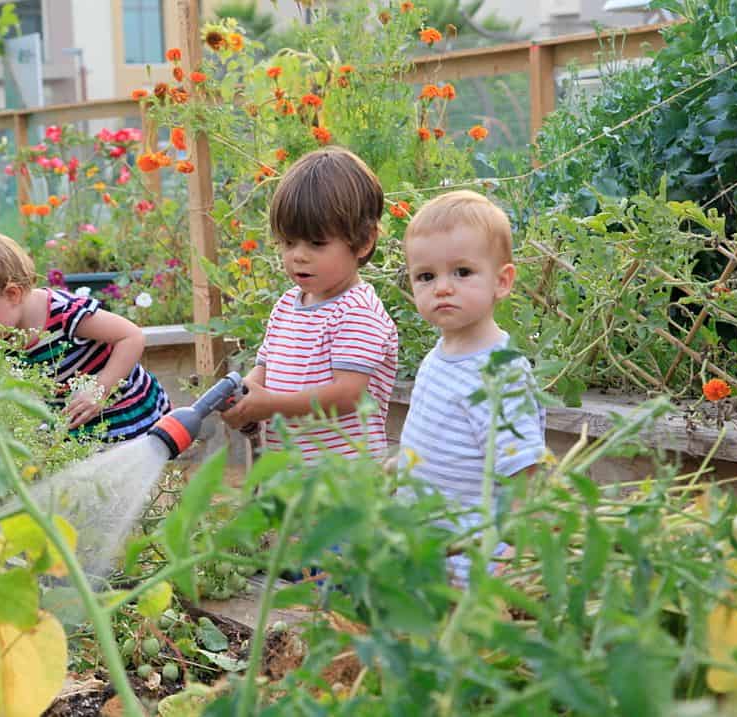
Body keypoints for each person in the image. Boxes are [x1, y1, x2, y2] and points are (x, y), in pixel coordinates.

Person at [397, 189, 545, 585]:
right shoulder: (437, 357)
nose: (442, 287)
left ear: (502, 281)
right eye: (426, 276)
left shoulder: (500, 374)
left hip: (473, 563)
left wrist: (516, 555)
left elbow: (524, 474)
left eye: (462, 272)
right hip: (428, 550)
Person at [221, 147, 399, 463]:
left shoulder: (357, 312)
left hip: (343, 480)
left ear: (364, 241)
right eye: (289, 242)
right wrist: (245, 395)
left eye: (317, 243)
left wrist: (271, 404)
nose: (298, 256)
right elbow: (264, 369)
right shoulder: (288, 304)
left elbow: (347, 395)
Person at [0, 225, 171, 441]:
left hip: (125, 409)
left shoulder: (64, 313)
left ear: (12, 294)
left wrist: (99, 390)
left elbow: (132, 336)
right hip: (76, 425)